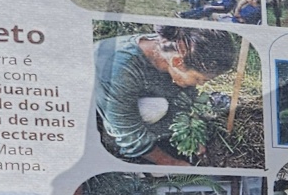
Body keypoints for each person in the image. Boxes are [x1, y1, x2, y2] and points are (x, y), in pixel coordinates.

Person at [92, 27, 236, 165]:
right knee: (156, 109)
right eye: (199, 79)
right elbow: (128, 132)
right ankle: (110, 141)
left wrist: (194, 136)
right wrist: (170, 162)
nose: (200, 84)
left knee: (164, 104)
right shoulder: (121, 69)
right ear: (177, 62)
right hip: (86, 107)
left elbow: (184, 97)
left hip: (122, 94)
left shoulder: (175, 47)